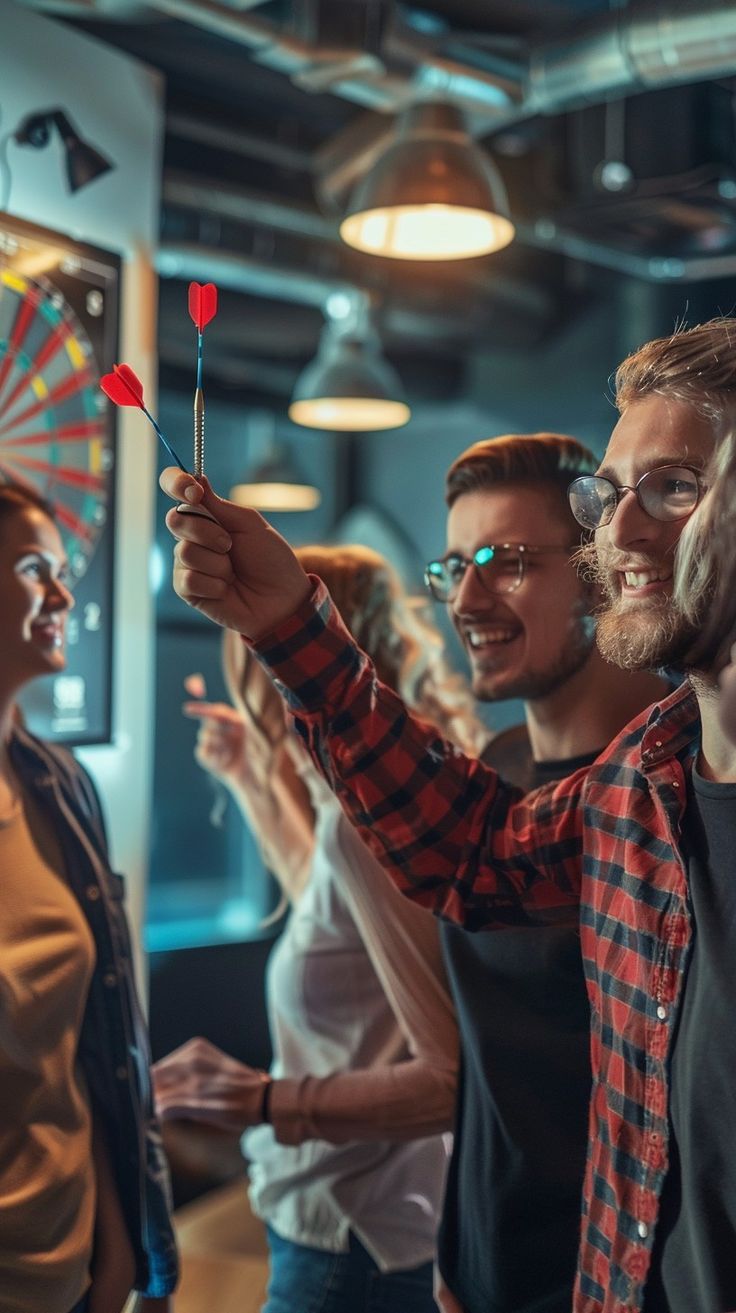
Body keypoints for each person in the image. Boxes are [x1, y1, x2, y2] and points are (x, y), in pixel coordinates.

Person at [159, 316, 736, 1313]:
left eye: (676, 487)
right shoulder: (641, 784)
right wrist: (288, 620)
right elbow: (472, 853)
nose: (626, 533)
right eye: (614, 495)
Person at [152, 544, 484, 1313]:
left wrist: (263, 1099)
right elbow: (336, 915)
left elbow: (451, 1079)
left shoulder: (364, 823)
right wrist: (248, 780)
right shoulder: (391, 797)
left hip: (353, 1237)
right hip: (369, 1228)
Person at [425, 433, 668, 1313]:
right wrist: (456, 1255)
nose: (466, 596)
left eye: (506, 561)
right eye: (453, 565)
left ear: (601, 569)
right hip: (479, 1273)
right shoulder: (491, 766)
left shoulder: (669, 787)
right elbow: (482, 1060)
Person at [0, 481, 177, 1313]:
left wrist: (119, 1259)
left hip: (71, 1277)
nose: (66, 593)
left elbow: (92, 1054)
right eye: (38, 567)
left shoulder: (58, 784)